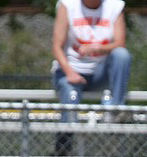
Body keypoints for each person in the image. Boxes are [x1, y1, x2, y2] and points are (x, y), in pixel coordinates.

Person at [51, 0, 131, 139]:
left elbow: (120, 43)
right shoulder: (67, 5)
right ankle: (63, 148)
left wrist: (99, 48)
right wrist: (70, 73)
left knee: (122, 55)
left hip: (99, 73)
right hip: (71, 72)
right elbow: (57, 46)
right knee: (70, 97)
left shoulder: (114, 6)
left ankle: (115, 110)